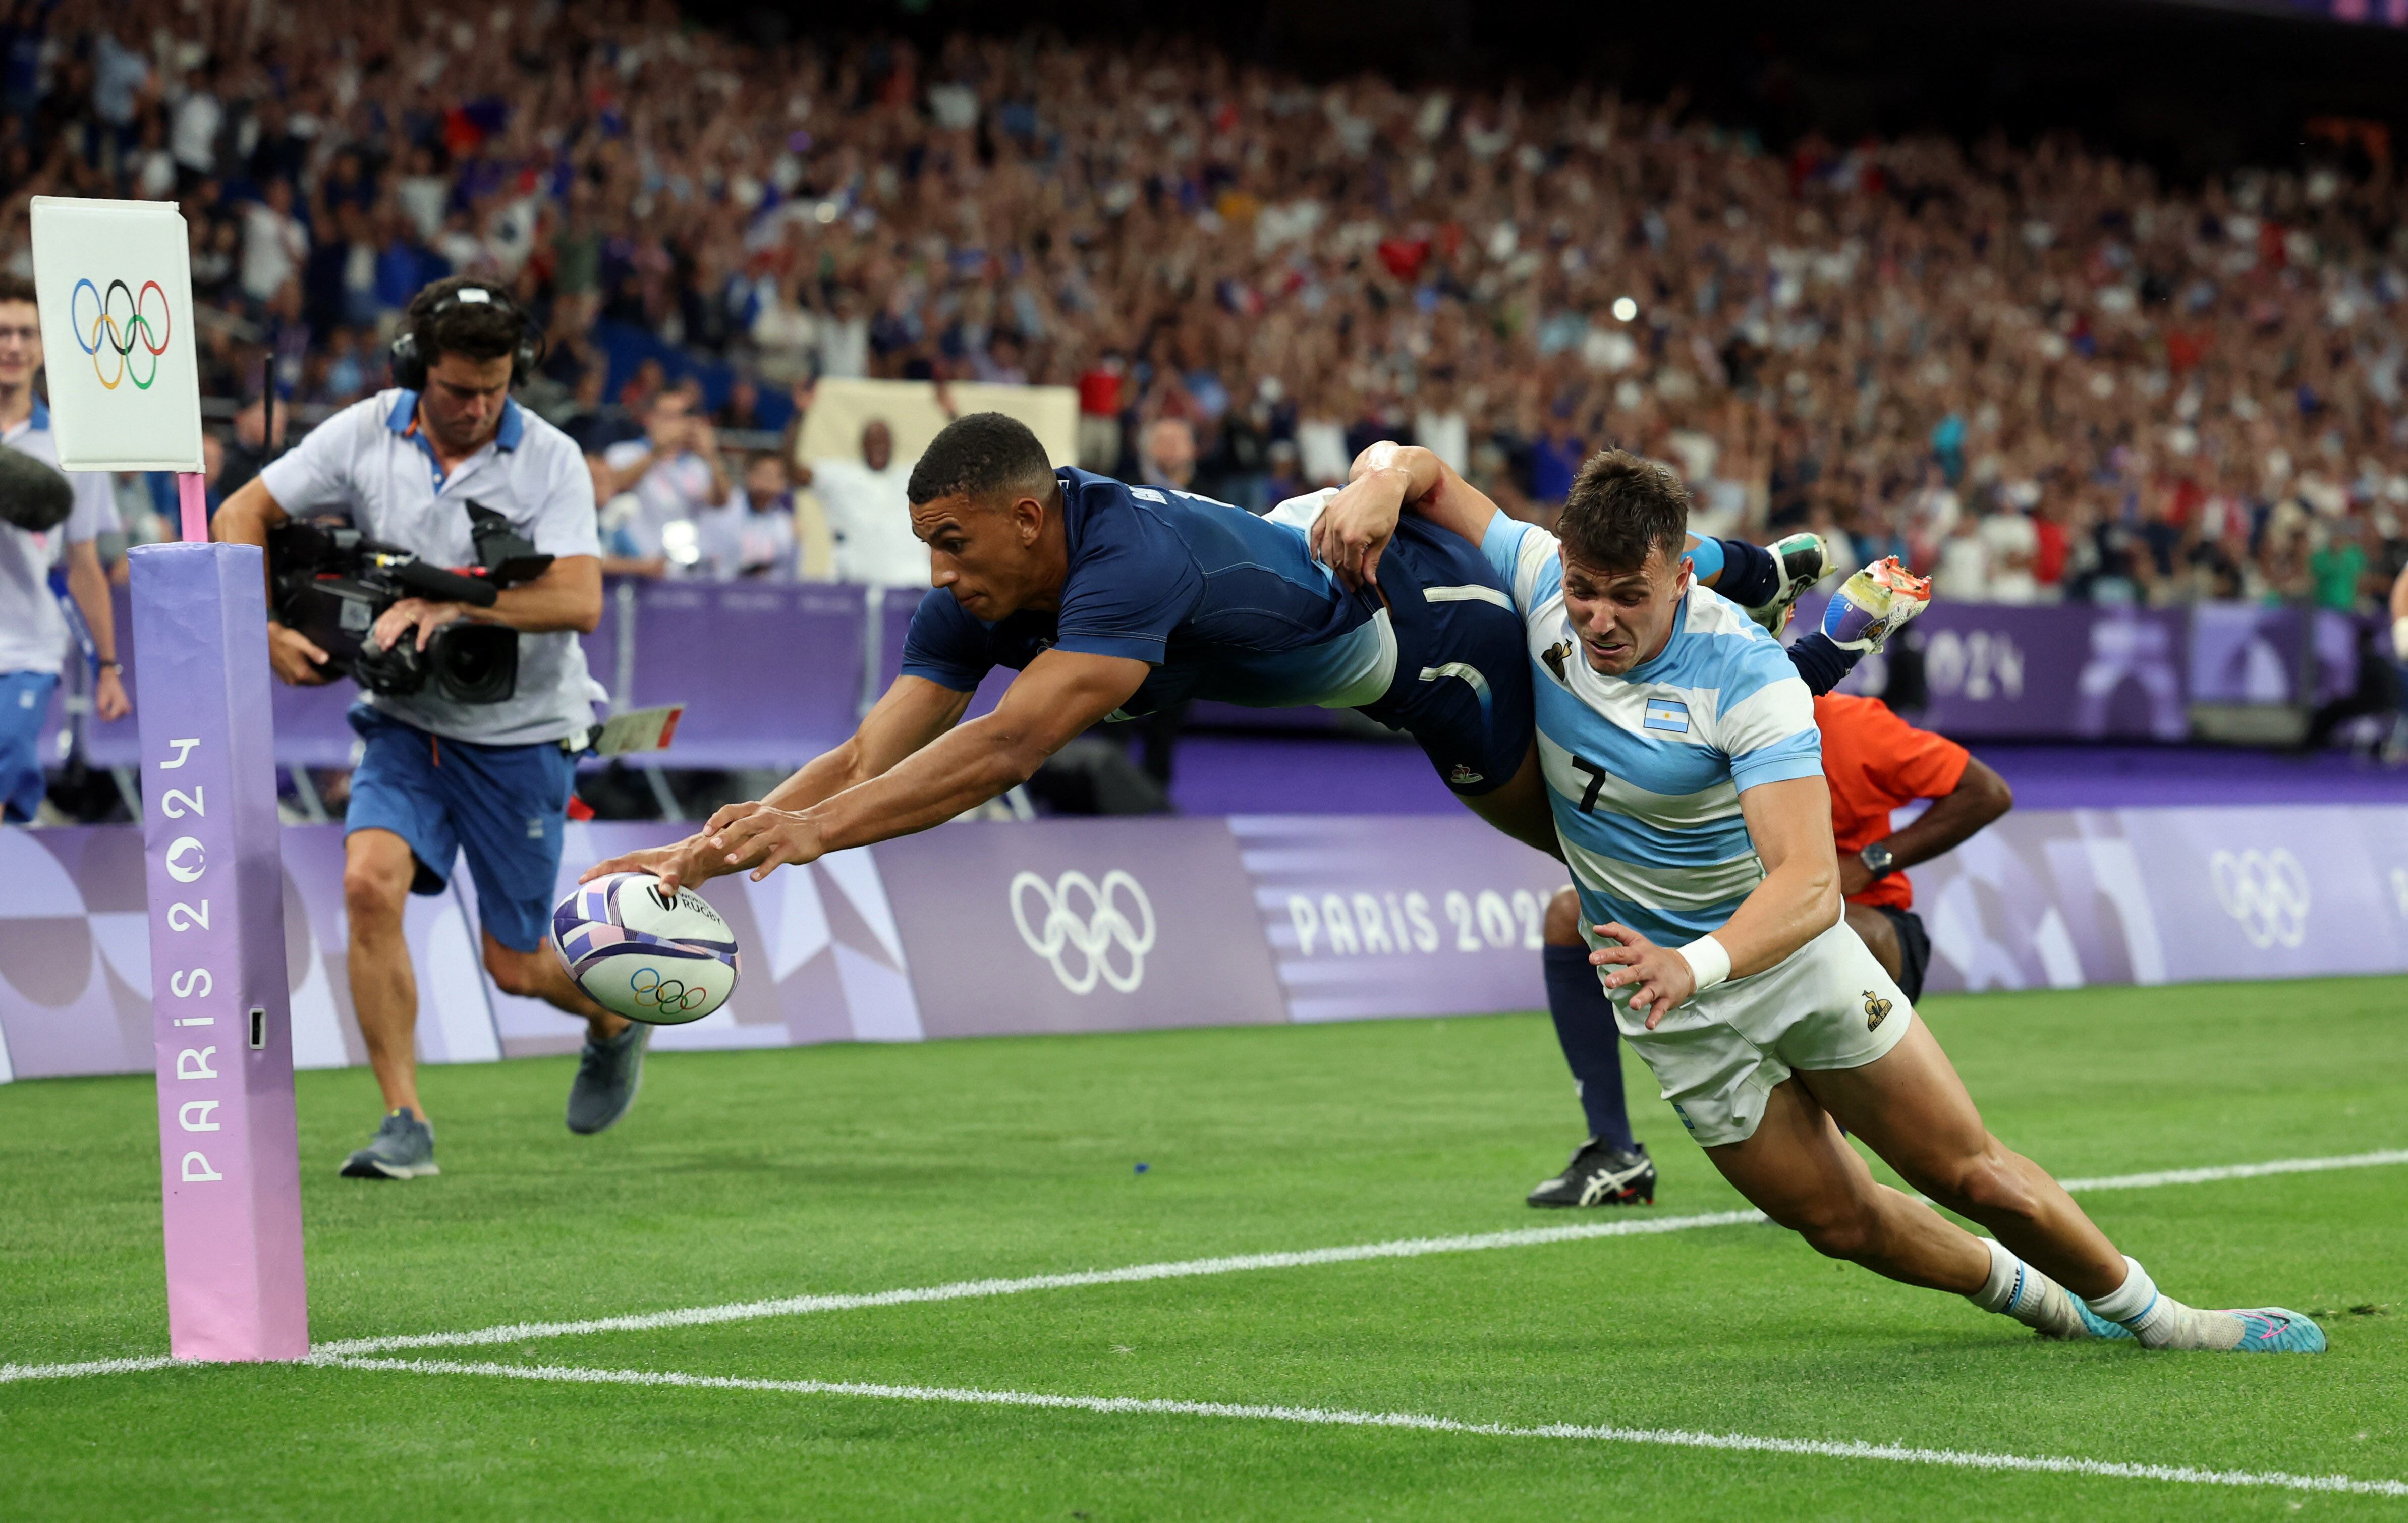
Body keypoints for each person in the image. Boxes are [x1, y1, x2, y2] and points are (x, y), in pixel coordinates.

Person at [1310, 446, 2324, 1354]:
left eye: (1626, 594)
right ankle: (2045, 1305)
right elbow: (1428, 471)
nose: (1597, 618)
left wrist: (1692, 962)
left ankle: (2169, 1322)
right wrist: (1382, 481)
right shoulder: (1541, 575)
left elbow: (1804, 884)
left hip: (1784, 963)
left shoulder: (1744, 671)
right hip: (1673, 1008)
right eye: (1583, 591)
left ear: (1678, 569)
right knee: (1837, 1223)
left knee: (1965, 1170)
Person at [213, 277, 641, 1181]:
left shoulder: (552, 457)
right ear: (416, 371)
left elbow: (580, 598)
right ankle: (402, 1118)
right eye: (456, 390)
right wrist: (263, 625)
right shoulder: (366, 430)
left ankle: (611, 1015)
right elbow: (239, 513)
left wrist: (451, 606)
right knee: (368, 884)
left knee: (517, 964)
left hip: (522, 734)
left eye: (494, 390)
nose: (477, 408)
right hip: (404, 721)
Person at [1520, 690, 2009, 1207]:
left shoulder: (1847, 723)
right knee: (1565, 913)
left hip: (1860, 920)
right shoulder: (1672, 723)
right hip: (1730, 916)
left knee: (1837, 929)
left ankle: (1833, 1144)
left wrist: (1871, 860)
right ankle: (1614, 1153)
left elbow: (1985, 791)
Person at [0, 274, 129, 824]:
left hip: (28, 649)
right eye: (2, 332)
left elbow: (84, 565)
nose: (14, 345)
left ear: (46, 346)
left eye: (27, 333)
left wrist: (108, 667)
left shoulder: (72, 444)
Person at [598, 386, 731, 569]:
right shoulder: (624, 453)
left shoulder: (695, 465)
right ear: (650, 418)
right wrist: (657, 451)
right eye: (668, 416)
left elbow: (721, 501)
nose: (676, 423)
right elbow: (614, 486)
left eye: (681, 416)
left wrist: (711, 456)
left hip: (680, 569)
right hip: (633, 565)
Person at [794, 419, 926, 586]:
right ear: (862, 445)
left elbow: (962, 468)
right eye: (873, 440)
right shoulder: (839, 476)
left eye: (884, 440)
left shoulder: (913, 476)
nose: (879, 445)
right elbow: (793, 473)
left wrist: (951, 414)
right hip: (853, 587)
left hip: (909, 586)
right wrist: (799, 417)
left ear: (893, 445)